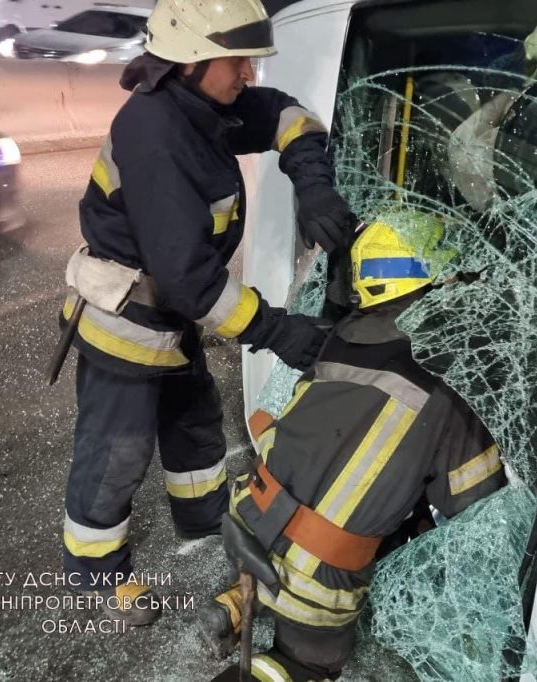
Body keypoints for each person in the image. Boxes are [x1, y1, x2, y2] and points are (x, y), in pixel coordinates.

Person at [56, 0, 355, 626]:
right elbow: (190, 280)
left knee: (194, 427)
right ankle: (93, 575)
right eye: (237, 61)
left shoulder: (201, 108)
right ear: (190, 61)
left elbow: (283, 113)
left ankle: (201, 522)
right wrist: (277, 330)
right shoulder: (156, 136)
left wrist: (313, 179)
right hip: (126, 328)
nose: (248, 74)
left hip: (172, 326)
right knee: (117, 452)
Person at [201, 214, 508, 681]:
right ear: (437, 280)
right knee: (303, 665)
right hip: (316, 583)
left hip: (252, 513)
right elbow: (477, 508)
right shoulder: (447, 384)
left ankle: (242, 598)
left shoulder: (338, 341)